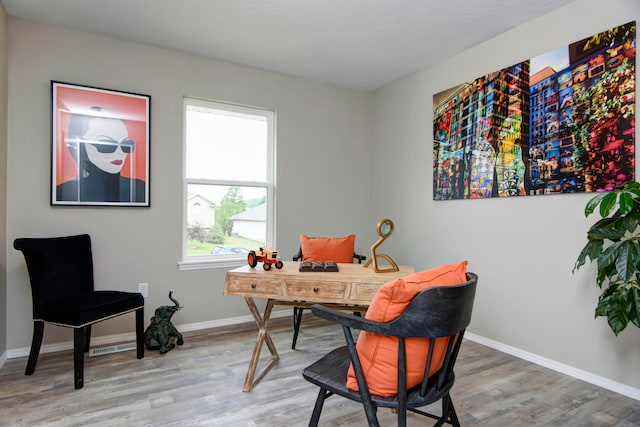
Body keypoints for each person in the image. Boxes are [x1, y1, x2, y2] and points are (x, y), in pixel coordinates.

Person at [56, 106, 146, 203]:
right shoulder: (64, 191)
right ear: (80, 145)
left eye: (126, 145)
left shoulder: (139, 188)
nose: (119, 152)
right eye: (107, 145)